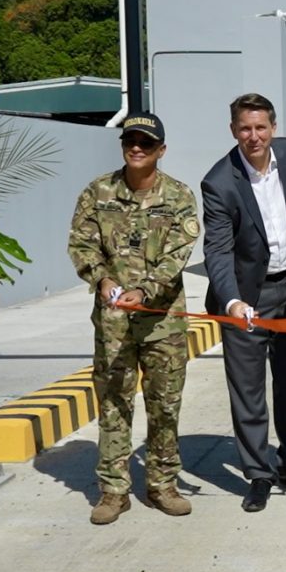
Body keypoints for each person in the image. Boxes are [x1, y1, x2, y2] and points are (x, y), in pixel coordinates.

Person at [67, 112, 200, 525]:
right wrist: (102, 279)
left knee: (164, 405)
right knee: (113, 403)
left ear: (161, 149)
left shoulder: (178, 197)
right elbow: (81, 244)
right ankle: (113, 489)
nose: (136, 147)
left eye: (146, 141)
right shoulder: (98, 192)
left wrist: (143, 290)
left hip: (162, 322)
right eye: (130, 141)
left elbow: (177, 256)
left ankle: (162, 483)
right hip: (113, 323)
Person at [201, 93, 286, 513]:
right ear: (233, 130)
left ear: (273, 127)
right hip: (245, 297)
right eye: (244, 129)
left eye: (261, 127)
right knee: (248, 391)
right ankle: (258, 474)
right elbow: (216, 251)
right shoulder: (219, 182)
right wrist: (232, 300)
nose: (254, 136)